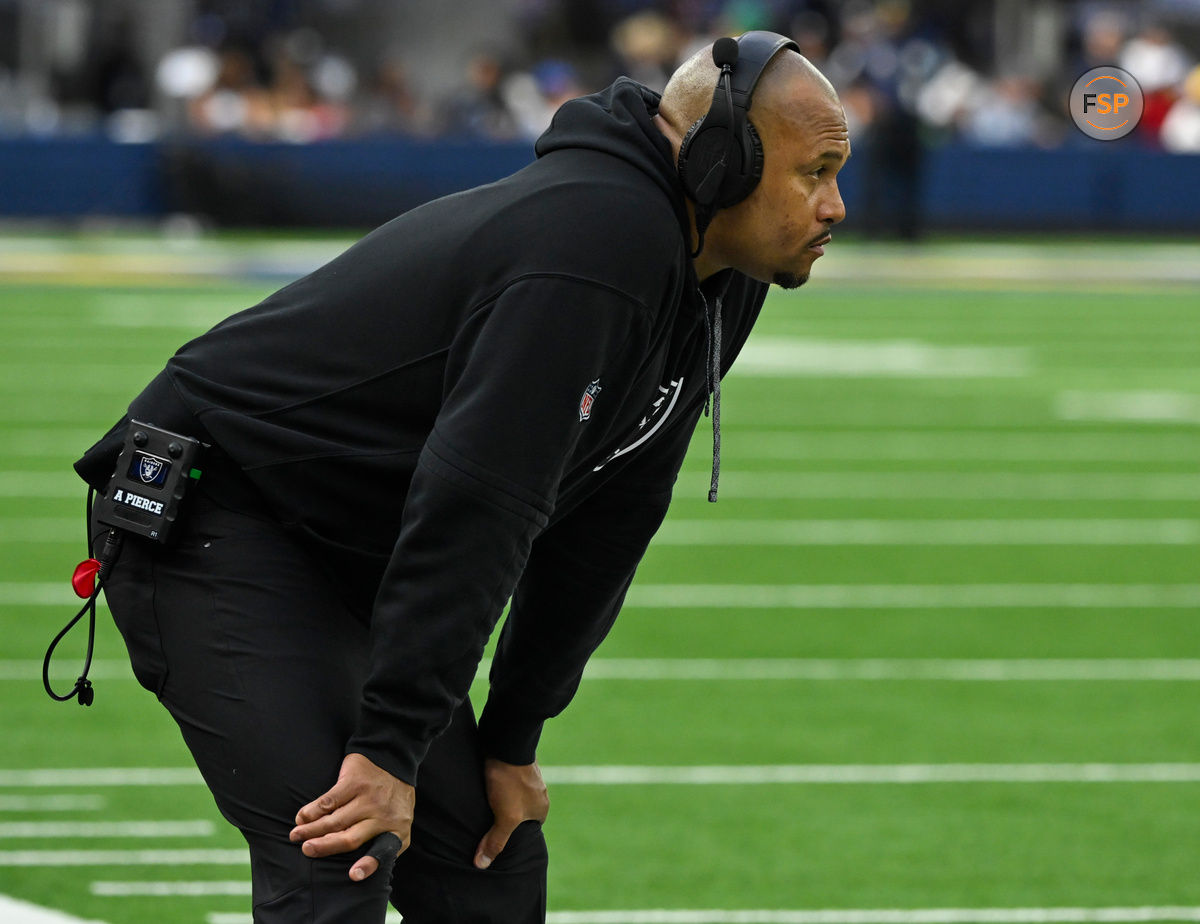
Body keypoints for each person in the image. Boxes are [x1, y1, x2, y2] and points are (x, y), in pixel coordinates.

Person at [73, 31, 849, 924]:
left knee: (491, 862)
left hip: (343, 534)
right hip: (221, 506)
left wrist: (513, 736)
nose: (834, 206)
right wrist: (391, 750)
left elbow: (613, 509)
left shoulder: (722, 269)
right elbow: (479, 502)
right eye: (814, 172)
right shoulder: (601, 244)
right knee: (343, 852)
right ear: (719, 163)